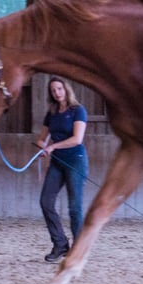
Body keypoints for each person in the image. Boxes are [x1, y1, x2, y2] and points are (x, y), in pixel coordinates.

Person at [36, 76, 89, 263]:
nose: (57, 93)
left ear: (66, 89)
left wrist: (53, 147)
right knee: (45, 202)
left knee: (75, 207)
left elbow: (77, 139)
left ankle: (79, 249)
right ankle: (60, 244)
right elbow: (42, 139)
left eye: (59, 89)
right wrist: (43, 146)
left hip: (76, 160)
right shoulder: (51, 113)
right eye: (53, 90)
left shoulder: (78, 111)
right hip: (57, 162)